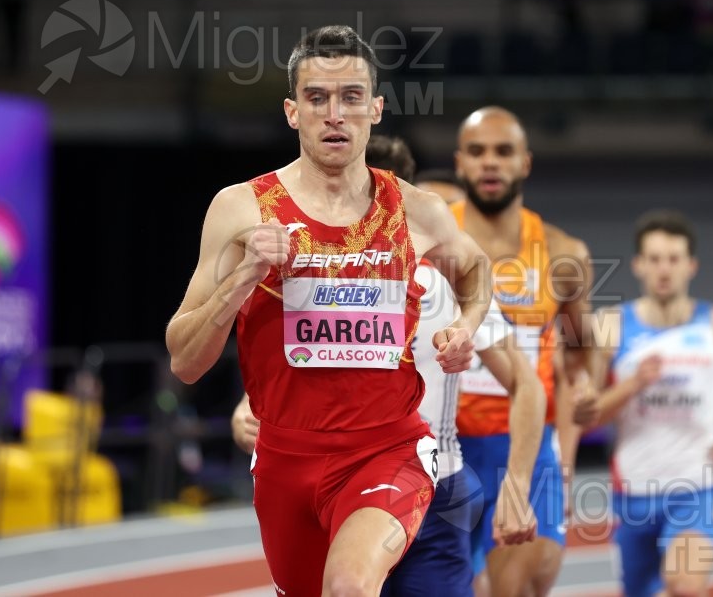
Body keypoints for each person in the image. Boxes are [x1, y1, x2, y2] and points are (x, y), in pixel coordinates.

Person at [166, 25, 494, 597]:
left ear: (375, 108)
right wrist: (245, 275)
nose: (334, 114)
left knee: (349, 585)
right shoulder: (240, 208)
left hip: (389, 450)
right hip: (285, 458)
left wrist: (465, 326)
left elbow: (477, 271)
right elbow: (185, 361)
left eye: (350, 98)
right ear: (293, 112)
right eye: (317, 98)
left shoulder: (418, 211)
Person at [233, 134, 546, 596]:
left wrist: (518, 487)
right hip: (328, 480)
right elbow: (284, 369)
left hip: (430, 489)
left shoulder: (443, 282)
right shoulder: (301, 277)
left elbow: (526, 383)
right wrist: (247, 408)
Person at [574, 210, 713, 597]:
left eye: (673, 259)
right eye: (654, 259)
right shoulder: (610, 324)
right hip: (634, 489)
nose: (664, 269)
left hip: (697, 486)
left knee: (684, 586)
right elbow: (588, 415)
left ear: (690, 265)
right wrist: (633, 384)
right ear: (638, 265)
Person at [452, 106, 594, 596]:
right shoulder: (428, 240)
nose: (490, 163)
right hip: (440, 448)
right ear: (459, 163)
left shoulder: (563, 253)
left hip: (525, 449)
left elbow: (581, 353)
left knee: (516, 590)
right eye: (477, 151)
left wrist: (568, 449)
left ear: (525, 163)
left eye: (503, 151)